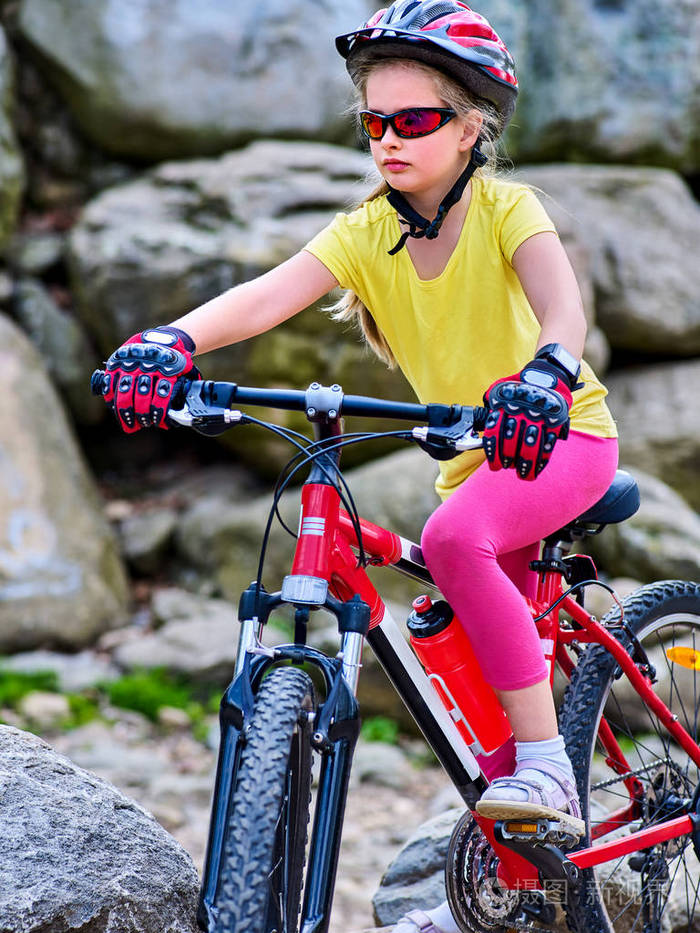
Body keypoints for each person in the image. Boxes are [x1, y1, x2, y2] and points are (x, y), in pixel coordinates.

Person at [98, 2, 618, 931]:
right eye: (373, 121)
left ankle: (549, 766)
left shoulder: (509, 210)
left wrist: (544, 371)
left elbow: (562, 311)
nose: (388, 138)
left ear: (471, 127)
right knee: (448, 632)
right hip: (478, 460)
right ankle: (517, 864)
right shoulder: (367, 232)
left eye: (414, 119)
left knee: (455, 540)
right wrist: (170, 339)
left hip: (561, 437)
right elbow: (266, 296)